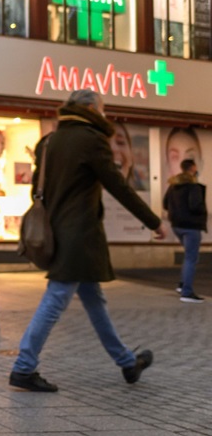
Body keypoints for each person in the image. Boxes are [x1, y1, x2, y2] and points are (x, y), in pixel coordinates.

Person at [10, 89, 165, 392]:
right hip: (78, 236)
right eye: (103, 109)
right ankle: (23, 367)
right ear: (93, 108)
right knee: (56, 299)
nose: (104, 114)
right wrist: (154, 221)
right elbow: (118, 187)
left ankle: (127, 363)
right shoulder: (92, 140)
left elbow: (36, 190)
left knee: (94, 300)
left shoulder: (49, 141)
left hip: (58, 231)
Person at [163, 158, 206, 303]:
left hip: (177, 225)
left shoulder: (173, 185)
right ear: (193, 168)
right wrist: (202, 212)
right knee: (191, 258)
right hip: (191, 226)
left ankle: (182, 285)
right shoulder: (193, 186)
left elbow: (165, 203)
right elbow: (196, 206)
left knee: (189, 256)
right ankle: (187, 292)